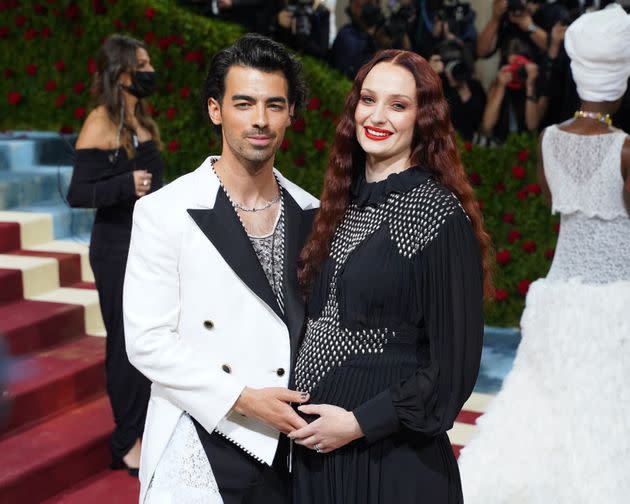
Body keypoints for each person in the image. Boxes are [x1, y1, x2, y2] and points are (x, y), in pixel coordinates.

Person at [123, 33, 319, 503]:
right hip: (200, 432)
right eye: (244, 103)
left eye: (275, 105)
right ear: (216, 109)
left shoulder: (312, 212)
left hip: (293, 449)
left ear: (291, 113)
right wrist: (243, 398)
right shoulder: (165, 211)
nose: (259, 120)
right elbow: (147, 341)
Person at [288, 49, 491, 503]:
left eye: (398, 105)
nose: (377, 116)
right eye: (368, 100)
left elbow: (452, 369)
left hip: (389, 463)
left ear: (424, 118)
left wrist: (360, 423)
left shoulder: (437, 215)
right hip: (318, 461)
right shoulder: (340, 205)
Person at [458, 6, 630, 502]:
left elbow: (556, 197)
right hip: (616, 298)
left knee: (549, 399)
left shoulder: (549, 140)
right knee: (607, 407)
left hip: (561, 289)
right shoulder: (623, 149)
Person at [66, 34, 164, 476]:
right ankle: (127, 441)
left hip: (146, 246)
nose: (149, 71)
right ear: (121, 71)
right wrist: (126, 186)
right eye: (141, 64)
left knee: (148, 341)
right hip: (114, 247)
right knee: (125, 346)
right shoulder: (101, 121)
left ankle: (146, 429)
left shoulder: (140, 118)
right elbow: (77, 193)